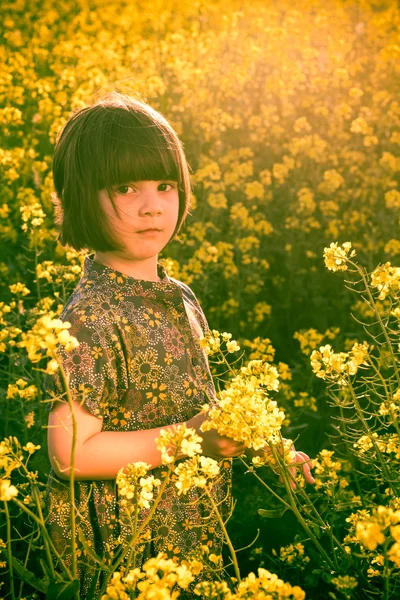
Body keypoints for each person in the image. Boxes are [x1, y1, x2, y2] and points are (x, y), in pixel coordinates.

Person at [43, 91, 315, 598]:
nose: (153, 206)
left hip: (193, 534)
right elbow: (70, 454)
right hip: (126, 555)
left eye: (165, 185)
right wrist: (189, 440)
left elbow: (202, 409)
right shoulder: (88, 318)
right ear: (82, 196)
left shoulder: (177, 295)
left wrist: (262, 444)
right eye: (126, 188)